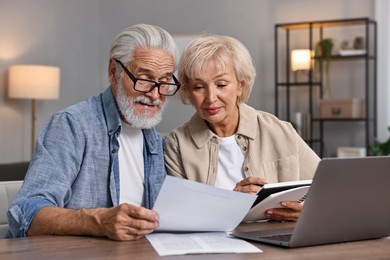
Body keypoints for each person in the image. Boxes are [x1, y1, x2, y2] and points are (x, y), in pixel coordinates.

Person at [7, 24, 181, 241]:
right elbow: (26, 213)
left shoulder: (157, 141)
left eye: (164, 83)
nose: (155, 95)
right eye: (144, 79)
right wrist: (99, 221)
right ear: (113, 72)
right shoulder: (71, 126)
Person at [164, 35, 320, 222]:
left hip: (277, 242)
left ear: (240, 85)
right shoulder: (176, 145)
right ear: (188, 91)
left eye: (221, 84)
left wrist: (304, 210)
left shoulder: (280, 131)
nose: (211, 97)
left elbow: (328, 189)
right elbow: (179, 215)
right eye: (199, 87)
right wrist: (232, 202)